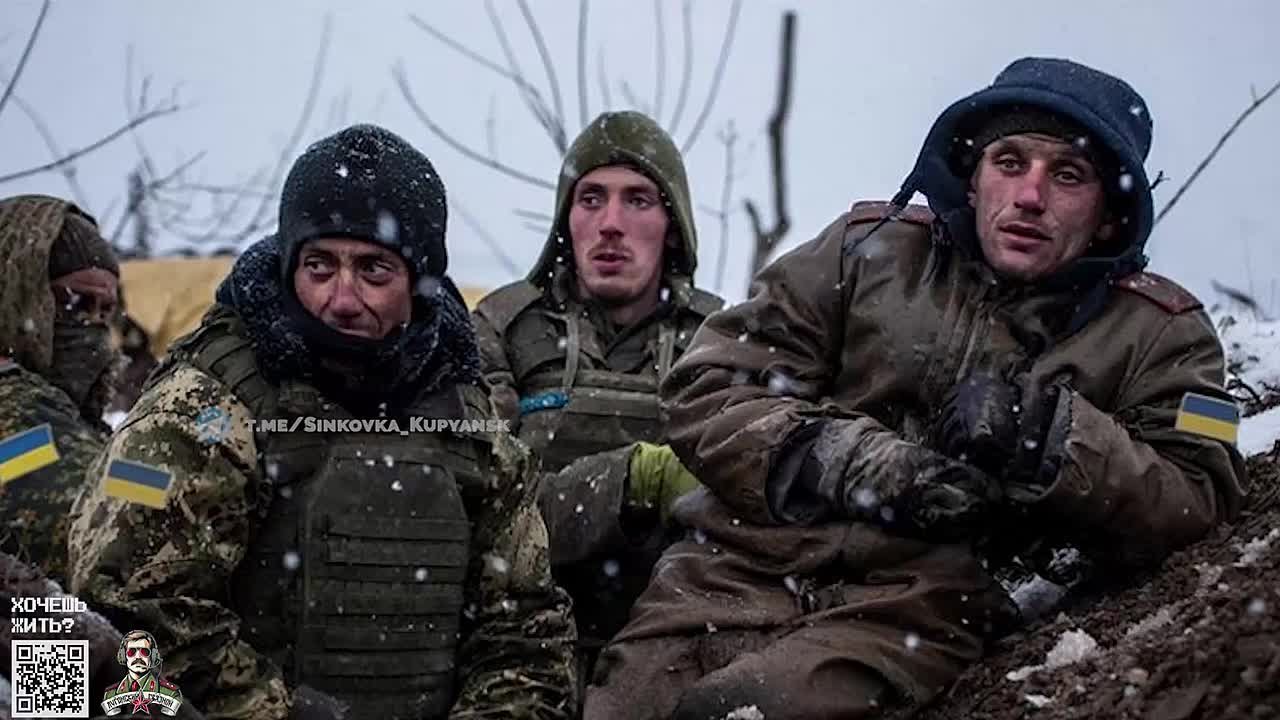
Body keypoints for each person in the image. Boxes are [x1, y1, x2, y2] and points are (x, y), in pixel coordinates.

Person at [584, 57, 1249, 720]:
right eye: (1009, 163)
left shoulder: (1163, 333)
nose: (1029, 196)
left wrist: (1051, 436)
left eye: (1068, 175)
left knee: (743, 710)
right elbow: (708, 383)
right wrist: (839, 458)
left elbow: (1203, 489)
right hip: (730, 568)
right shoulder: (864, 250)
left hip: (916, 609)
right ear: (973, 179)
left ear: (1109, 214)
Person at [68, 124, 576, 720]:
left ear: (420, 282)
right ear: (289, 266)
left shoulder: (468, 419)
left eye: (374, 270)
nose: (341, 298)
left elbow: (525, 631)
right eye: (318, 265)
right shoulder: (205, 405)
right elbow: (130, 612)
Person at [472, 111, 724, 688]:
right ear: (567, 220)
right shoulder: (501, 329)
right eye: (591, 199)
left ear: (673, 225)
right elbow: (485, 514)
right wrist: (633, 482)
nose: (610, 224)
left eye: (638, 200)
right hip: (518, 645)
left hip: (677, 647)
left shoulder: (720, 339)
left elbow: (739, 511)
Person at [0, 195, 122, 587]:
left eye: (106, 311)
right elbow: (113, 492)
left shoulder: (55, 412)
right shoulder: (17, 414)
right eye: (76, 302)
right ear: (19, 294)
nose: (94, 325)